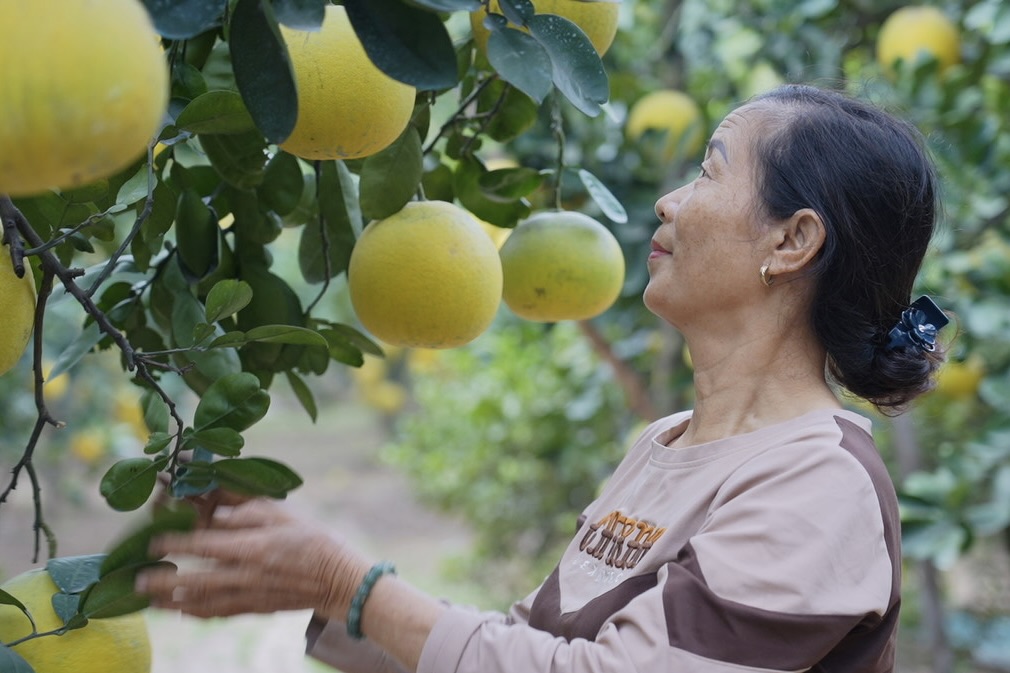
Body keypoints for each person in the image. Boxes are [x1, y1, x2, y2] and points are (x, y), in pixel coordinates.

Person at [136, 83, 949, 673]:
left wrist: (355, 583)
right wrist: (304, 574)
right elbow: (526, 648)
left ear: (793, 241)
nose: (668, 201)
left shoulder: (817, 483)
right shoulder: (665, 444)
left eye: (707, 172)